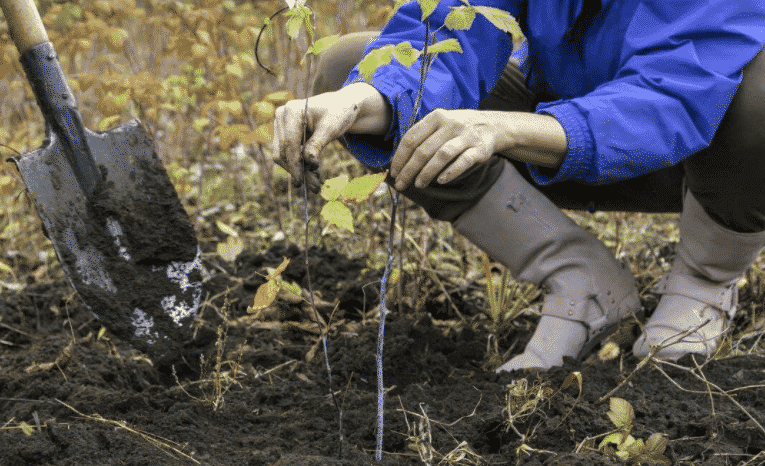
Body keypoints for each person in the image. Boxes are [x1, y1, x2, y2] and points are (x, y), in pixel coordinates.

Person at [272, 0, 765, 372]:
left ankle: (704, 282)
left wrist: (507, 130)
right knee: (350, 66)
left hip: (697, 155)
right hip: (559, 129)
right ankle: (579, 275)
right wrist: (366, 98)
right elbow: (455, 25)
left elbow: (669, 101)